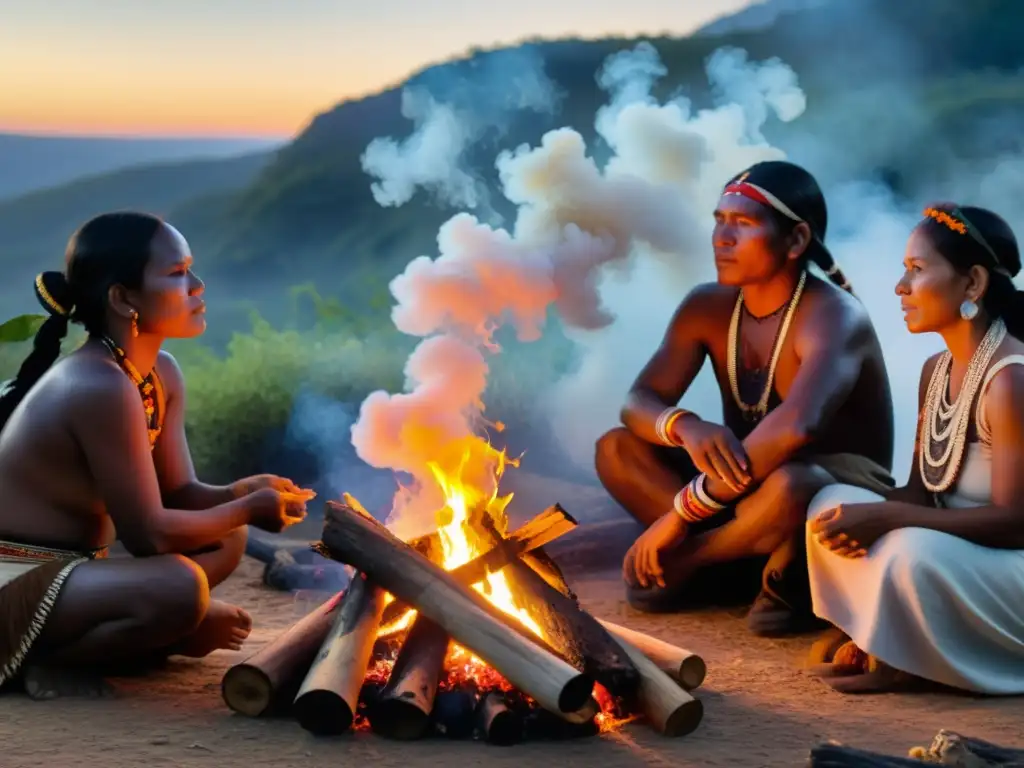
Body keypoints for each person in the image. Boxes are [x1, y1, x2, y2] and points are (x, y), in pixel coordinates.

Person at [0, 211, 314, 700]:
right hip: (16, 580)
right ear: (123, 299)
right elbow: (147, 535)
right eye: (176, 274)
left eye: (190, 269)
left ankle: (156, 629)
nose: (197, 285)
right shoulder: (98, 383)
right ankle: (52, 661)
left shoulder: (156, 372)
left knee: (227, 537)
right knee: (182, 588)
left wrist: (238, 494)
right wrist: (248, 509)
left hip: (78, 570)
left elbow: (180, 493)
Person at [595, 160, 896, 635]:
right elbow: (638, 401)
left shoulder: (835, 316)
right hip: (744, 494)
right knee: (616, 448)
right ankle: (752, 561)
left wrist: (679, 520)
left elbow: (798, 428)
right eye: (719, 221)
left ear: (796, 240)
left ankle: (695, 559)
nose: (722, 238)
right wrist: (683, 425)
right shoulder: (706, 306)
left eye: (744, 224)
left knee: (791, 486)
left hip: (820, 492)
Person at [805, 203, 1024, 694]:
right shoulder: (936, 370)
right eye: (905, 269)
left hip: (1012, 567)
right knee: (826, 505)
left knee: (910, 548)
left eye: (917, 270)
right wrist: (866, 507)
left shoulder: (1011, 380)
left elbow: (1016, 523)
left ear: (973, 284)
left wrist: (888, 519)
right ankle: (876, 634)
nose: (901, 287)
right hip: (956, 553)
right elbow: (925, 493)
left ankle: (906, 655)